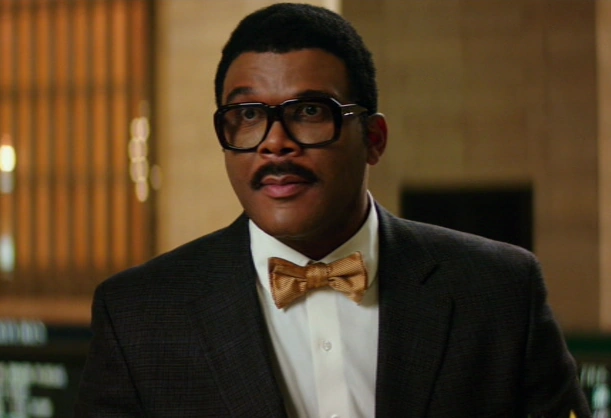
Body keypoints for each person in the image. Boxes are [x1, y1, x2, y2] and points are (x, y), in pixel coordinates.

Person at [75, 3, 591, 417]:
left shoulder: (499, 291)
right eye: (248, 115)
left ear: (374, 139)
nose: (274, 143)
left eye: (308, 111)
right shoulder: (138, 314)